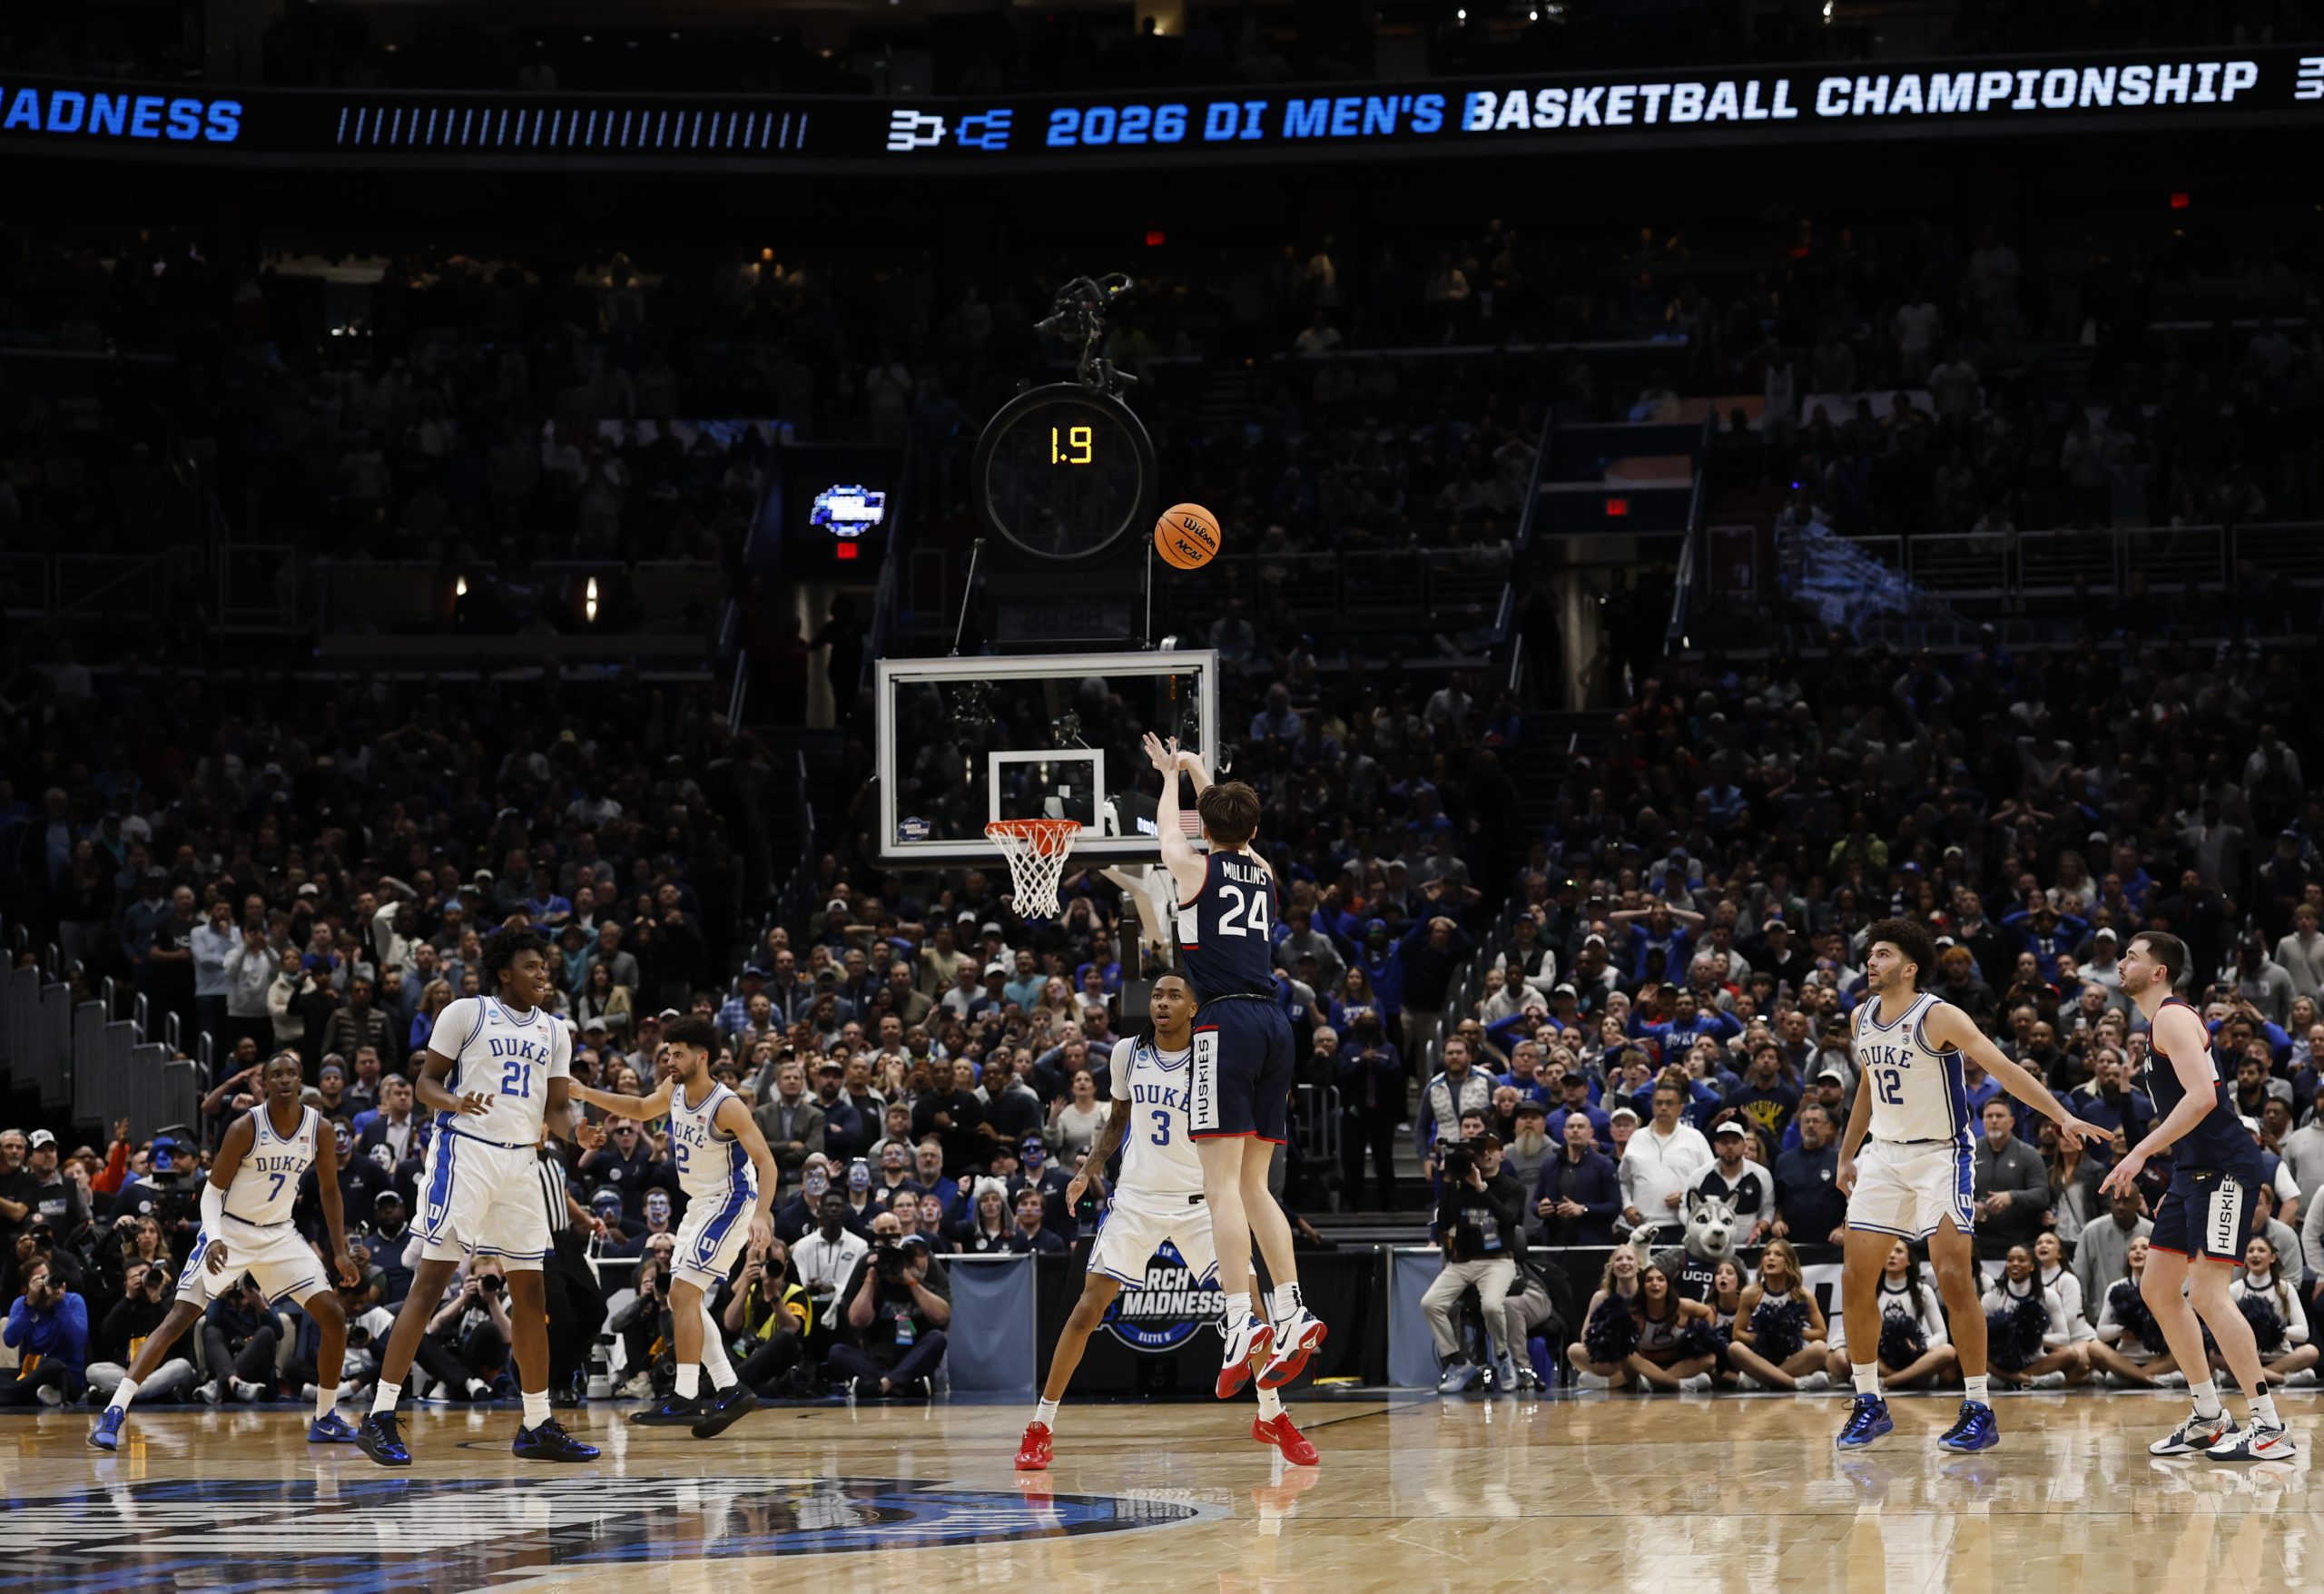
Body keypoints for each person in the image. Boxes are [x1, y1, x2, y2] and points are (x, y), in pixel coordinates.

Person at [1017, 972, 1317, 1471]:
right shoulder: (1126, 1053)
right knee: (1087, 1310)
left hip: (1204, 1203)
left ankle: (1271, 1415)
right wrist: (1089, 1169)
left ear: (1195, 1007)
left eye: (1175, 995)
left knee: (1255, 1316)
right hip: (1136, 1199)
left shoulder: (1215, 1057)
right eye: (1157, 994)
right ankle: (1040, 1426)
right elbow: (1117, 1122)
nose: (1162, 1002)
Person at [1836, 918, 2106, 1453]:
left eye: (1882, 954)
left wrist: (2060, 1116)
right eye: (1870, 954)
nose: (1871, 962)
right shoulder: (1860, 1017)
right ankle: (1868, 1400)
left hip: (1942, 1155)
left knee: (1955, 1277)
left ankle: (1978, 1407)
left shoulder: (1938, 1015)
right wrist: (1848, 1154)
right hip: (1885, 1157)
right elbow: (1868, 1085)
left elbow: (2004, 1069)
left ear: (1909, 968)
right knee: (1853, 1276)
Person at [355, 927, 598, 1467]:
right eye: (533, 966)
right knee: (431, 1281)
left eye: (546, 966)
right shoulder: (466, 1013)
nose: (544, 975)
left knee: (532, 1293)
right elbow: (425, 1085)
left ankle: (536, 1424)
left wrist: (576, 1131)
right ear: (505, 971)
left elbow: (556, 1109)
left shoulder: (557, 1031)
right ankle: (378, 1416)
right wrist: (458, 1102)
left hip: (521, 1163)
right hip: (464, 1151)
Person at [1145, 733, 1324, 1396]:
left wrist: (1170, 778)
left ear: (1210, 828)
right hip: (1278, 1024)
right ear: (1251, 827)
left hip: (1224, 1021)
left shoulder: (1194, 869)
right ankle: (1291, 1308)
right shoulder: (1264, 873)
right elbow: (1231, 827)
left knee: (1217, 1186)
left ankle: (1239, 1318)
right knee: (1256, 1187)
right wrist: (1199, 771)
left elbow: (1171, 831)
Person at [90, 1051, 361, 1450]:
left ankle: (325, 1417)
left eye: (292, 1073)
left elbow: (330, 1191)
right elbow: (212, 1192)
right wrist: (214, 1236)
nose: (285, 1080)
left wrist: (339, 1252)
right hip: (231, 1230)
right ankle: (114, 1411)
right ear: (265, 1083)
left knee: (333, 1316)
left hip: (279, 1235)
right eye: (277, 1074)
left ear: (301, 1081)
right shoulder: (244, 1127)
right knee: (178, 1319)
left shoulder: (318, 1129)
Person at [2101, 930, 2296, 1460]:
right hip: (2195, 1170)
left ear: (2159, 970)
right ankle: (2208, 1414)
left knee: (2208, 1293)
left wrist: (2140, 1151)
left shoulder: (2172, 1016)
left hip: (2227, 1168)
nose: (2121, 964)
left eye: (2131, 957)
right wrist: (2179, 1171)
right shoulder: (2156, 1023)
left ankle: (2269, 1426)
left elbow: (2205, 1097)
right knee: (2159, 1289)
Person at [566, 1014, 776, 1438]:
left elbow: (767, 1161)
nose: (669, 1060)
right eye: (667, 1053)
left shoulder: (727, 1104)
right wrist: (588, 1092)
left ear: (702, 1057)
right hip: (699, 1205)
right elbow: (643, 1108)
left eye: (678, 1054)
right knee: (684, 1299)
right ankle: (730, 1388)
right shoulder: (673, 1088)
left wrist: (762, 1214)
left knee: (682, 1293)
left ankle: (684, 1396)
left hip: (731, 1201)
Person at [1423, 1132, 1525, 1394]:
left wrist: (1482, 1188)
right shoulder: (1459, 1187)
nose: (1487, 1155)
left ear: (1502, 1153)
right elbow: (1444, 1223)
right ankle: (1458, 1362)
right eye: (1481, 1151)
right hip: (1463, 1261)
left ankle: (1502, 1357)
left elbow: (1507, 1220)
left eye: (1492, 1149)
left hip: (1498, 1261)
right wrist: (1447, 1182)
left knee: (1491, 1306)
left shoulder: (1513, 1187)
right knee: (1430, 1304)